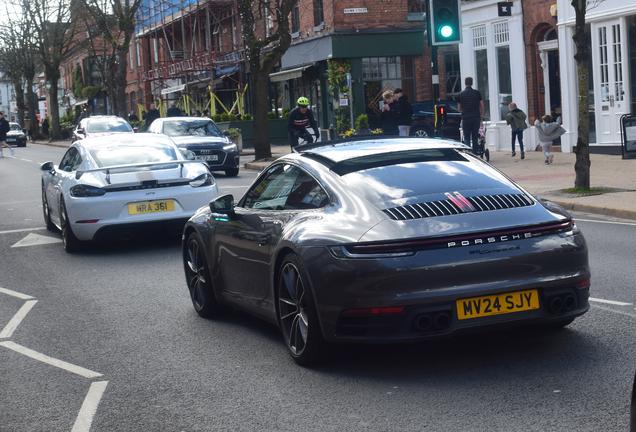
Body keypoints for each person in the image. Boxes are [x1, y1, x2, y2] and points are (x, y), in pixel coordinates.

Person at [458, 77, 484, 154]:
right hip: (476, 117)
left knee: (466, 137)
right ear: (472, 83)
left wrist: (464, 111)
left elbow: (459, 108)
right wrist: (480, 115)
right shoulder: (476, 93)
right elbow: (482, 105)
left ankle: (468, 153)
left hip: (465, 118)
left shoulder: (460, 94)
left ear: (465, 83)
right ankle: (475, 153)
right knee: (475, 137)